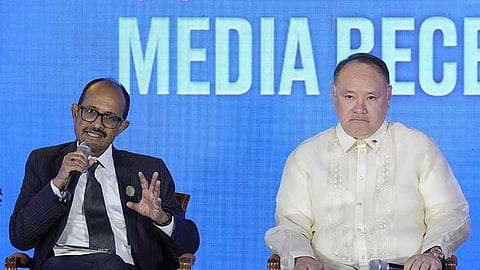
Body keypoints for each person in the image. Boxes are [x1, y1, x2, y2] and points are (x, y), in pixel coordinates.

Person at [264, 53, 470, 270]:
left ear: (388, 96)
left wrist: (433, 253)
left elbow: (450, 212)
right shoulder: (306, 155)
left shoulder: (419, 147)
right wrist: (302, 258)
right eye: (349, 97)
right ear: (334, 95)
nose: (359, 108)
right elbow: (292, 225)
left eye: (371, 98)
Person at [10, 78, 200, 270]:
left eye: (109, 117)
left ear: (121, 127)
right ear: (75, 113)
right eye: (90, 112)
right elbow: (20, 237)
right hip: (60, 264)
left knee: (108, 264)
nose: (97, 124)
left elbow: (187, 245)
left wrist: (161, 219)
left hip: (123, 266)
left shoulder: (150, 170)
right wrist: (57, 184)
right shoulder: (44, 161)